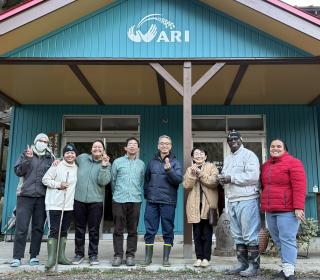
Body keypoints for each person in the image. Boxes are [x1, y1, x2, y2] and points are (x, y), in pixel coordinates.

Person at [261, 139, 306, 280]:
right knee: (278, 240)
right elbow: (264, 186)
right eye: (272, 146)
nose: (275, 148)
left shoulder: (294, 163)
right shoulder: (266, 166)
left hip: (287, 210)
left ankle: (290, 273)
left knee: (287, 240)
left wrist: (298, 207)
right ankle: (286, 268)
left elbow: (300, 186)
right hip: (271, 210)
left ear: (284, 149)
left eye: (278, 146)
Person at [218, 130, 261, 277]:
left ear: (241, 139)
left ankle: (254, 266)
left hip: (247, 199)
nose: (233, 141)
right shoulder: (228, 158)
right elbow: (226, 174)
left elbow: (253, 176)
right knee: (237, 235)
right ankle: (242, 264)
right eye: (230, 140)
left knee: (249, 234)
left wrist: (231, 178)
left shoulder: (249, 155)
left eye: (236, 139)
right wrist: (222, 178)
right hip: (232, 199)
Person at [10, 133, 54, 267]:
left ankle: (34, 256)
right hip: (25, 196)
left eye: (46, 141)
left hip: (41, 197)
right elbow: (18, 171)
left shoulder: (50, 157)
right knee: (21, 228)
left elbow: (52, 175)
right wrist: (28, 159)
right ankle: (17, 257)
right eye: (41, 140)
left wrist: (57, 164)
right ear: (35, 141)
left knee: (38, 228)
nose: (43, 142)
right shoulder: (26, 154)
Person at [143, 135, 182, 266]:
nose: (164, 146)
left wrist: (169, 170)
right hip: (152, 201)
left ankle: (166, 259)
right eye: (162, 143)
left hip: (168, 201)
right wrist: (147, 195)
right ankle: (148, 258)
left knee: (168, 229)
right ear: (158, 145)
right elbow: (146, 179)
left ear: (170, 146)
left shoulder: (175, 162)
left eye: (167, 144)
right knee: (150, 229)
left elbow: (178, 180)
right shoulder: (152, 161)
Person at [72, 140, 111, 265]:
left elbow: (103, 182)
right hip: (79, 200)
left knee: (94, 230)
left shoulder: (106, 164)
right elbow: (68, 159)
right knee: (79, 228)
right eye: (95, 147)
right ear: (91, 149)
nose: (97, 149)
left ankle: (93, 255)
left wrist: (104, 166)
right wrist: (58, 160)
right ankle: (79, 254)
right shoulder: (82, 158)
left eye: (100, 147)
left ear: (103, 150)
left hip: (96, 201)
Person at [42, 143, 78, 270]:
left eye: (72, 153)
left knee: (64, 231)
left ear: (75, 155)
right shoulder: (56, 165)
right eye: (67, 153)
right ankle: (51, 258)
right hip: (54, 204)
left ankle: (61, 257)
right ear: (63, 155)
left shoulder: (76, 168)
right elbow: (45, 180)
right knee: (54, 230)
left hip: (68, 205)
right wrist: (58, 184)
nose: (70, 155)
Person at [110, 137, 145, 267]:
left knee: (133, 230)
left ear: (138, 148)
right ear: (125, 148)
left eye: (135, 144)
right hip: (119, 199)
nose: (132, 146)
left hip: (135, 199)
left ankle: (130, 255)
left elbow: (141, 181)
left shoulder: (141, 164)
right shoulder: (117, 162)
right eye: (130, 144)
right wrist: (117, 193)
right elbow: (113, 181)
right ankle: (118, 255)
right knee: (118, 229)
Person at [183, 147, 219, 268]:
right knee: (197, 234)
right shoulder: (189, 169)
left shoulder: (212, 167)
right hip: (194, 205)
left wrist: (200, 173)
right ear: (193, 157)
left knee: (207, 234)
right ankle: (198, 257)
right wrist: (193, 175)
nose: (199, 155)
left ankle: (206, 258)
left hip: (208, 205)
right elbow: (187, 186)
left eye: (201, 153)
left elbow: (214, 182)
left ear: (206, 156)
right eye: (196, 154)